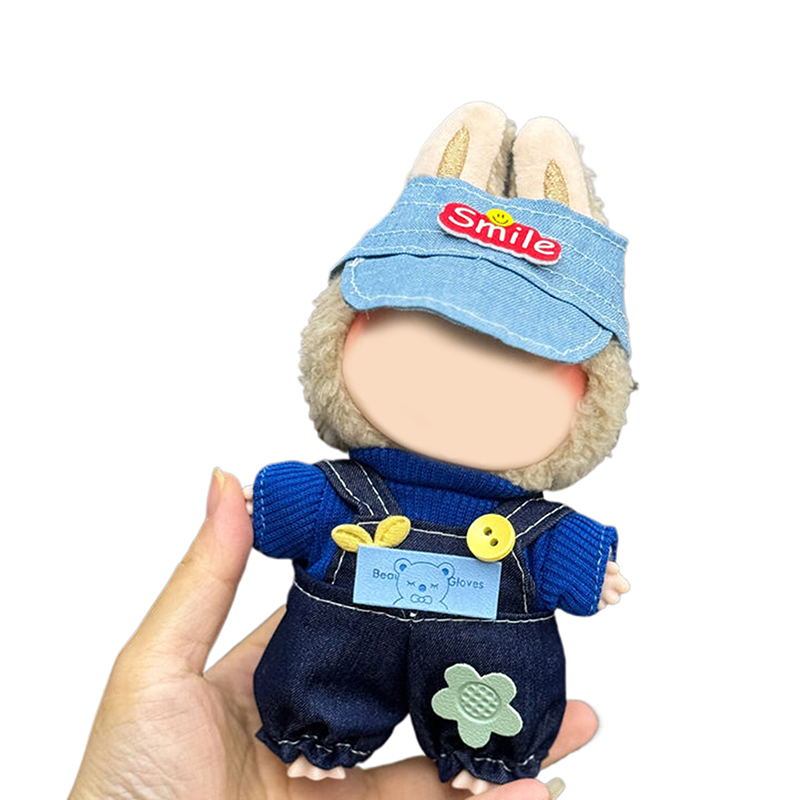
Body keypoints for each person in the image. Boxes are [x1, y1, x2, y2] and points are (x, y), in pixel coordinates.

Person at [68, 470, 605, 800]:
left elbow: (572, 559)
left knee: (486, 702)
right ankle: (318, 736)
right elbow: (289, 512)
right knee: (333, 660)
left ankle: (485, 757)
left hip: (477, 676)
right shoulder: (343, 496)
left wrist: (591, 569)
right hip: (353, 651)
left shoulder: (536, 527)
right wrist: (274, 504)